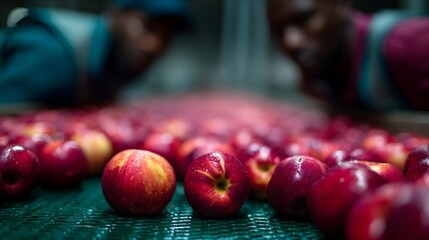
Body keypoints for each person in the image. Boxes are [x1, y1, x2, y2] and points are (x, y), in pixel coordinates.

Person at [0, 0, 191, 107]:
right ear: (116, 14)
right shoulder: (53, 54)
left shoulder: (116, 64)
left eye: (166, 38)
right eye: (147, 26)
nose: (154, 45)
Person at [266, 0, 429, 111]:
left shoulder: (411, 47)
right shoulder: (319, 76)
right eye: (278, 30)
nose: (290, 42)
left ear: (341, 5)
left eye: (305, 19)